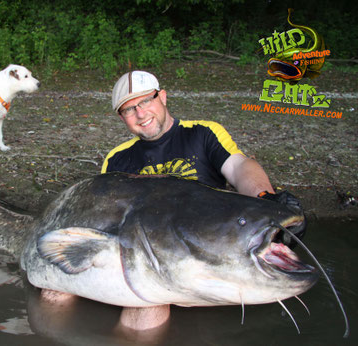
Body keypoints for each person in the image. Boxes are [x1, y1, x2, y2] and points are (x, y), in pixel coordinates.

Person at [101, 71, 307, 331]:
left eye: (145, 101)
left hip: (208, 252)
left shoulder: (202, 133)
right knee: (56, 293)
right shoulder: (117, 159)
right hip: (148, 259)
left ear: (162, 97)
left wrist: (266, 201)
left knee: (148, 308)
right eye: (129, 109)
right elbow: (108, 217)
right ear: (122, 118)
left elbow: (239, 167)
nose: (140, 114)